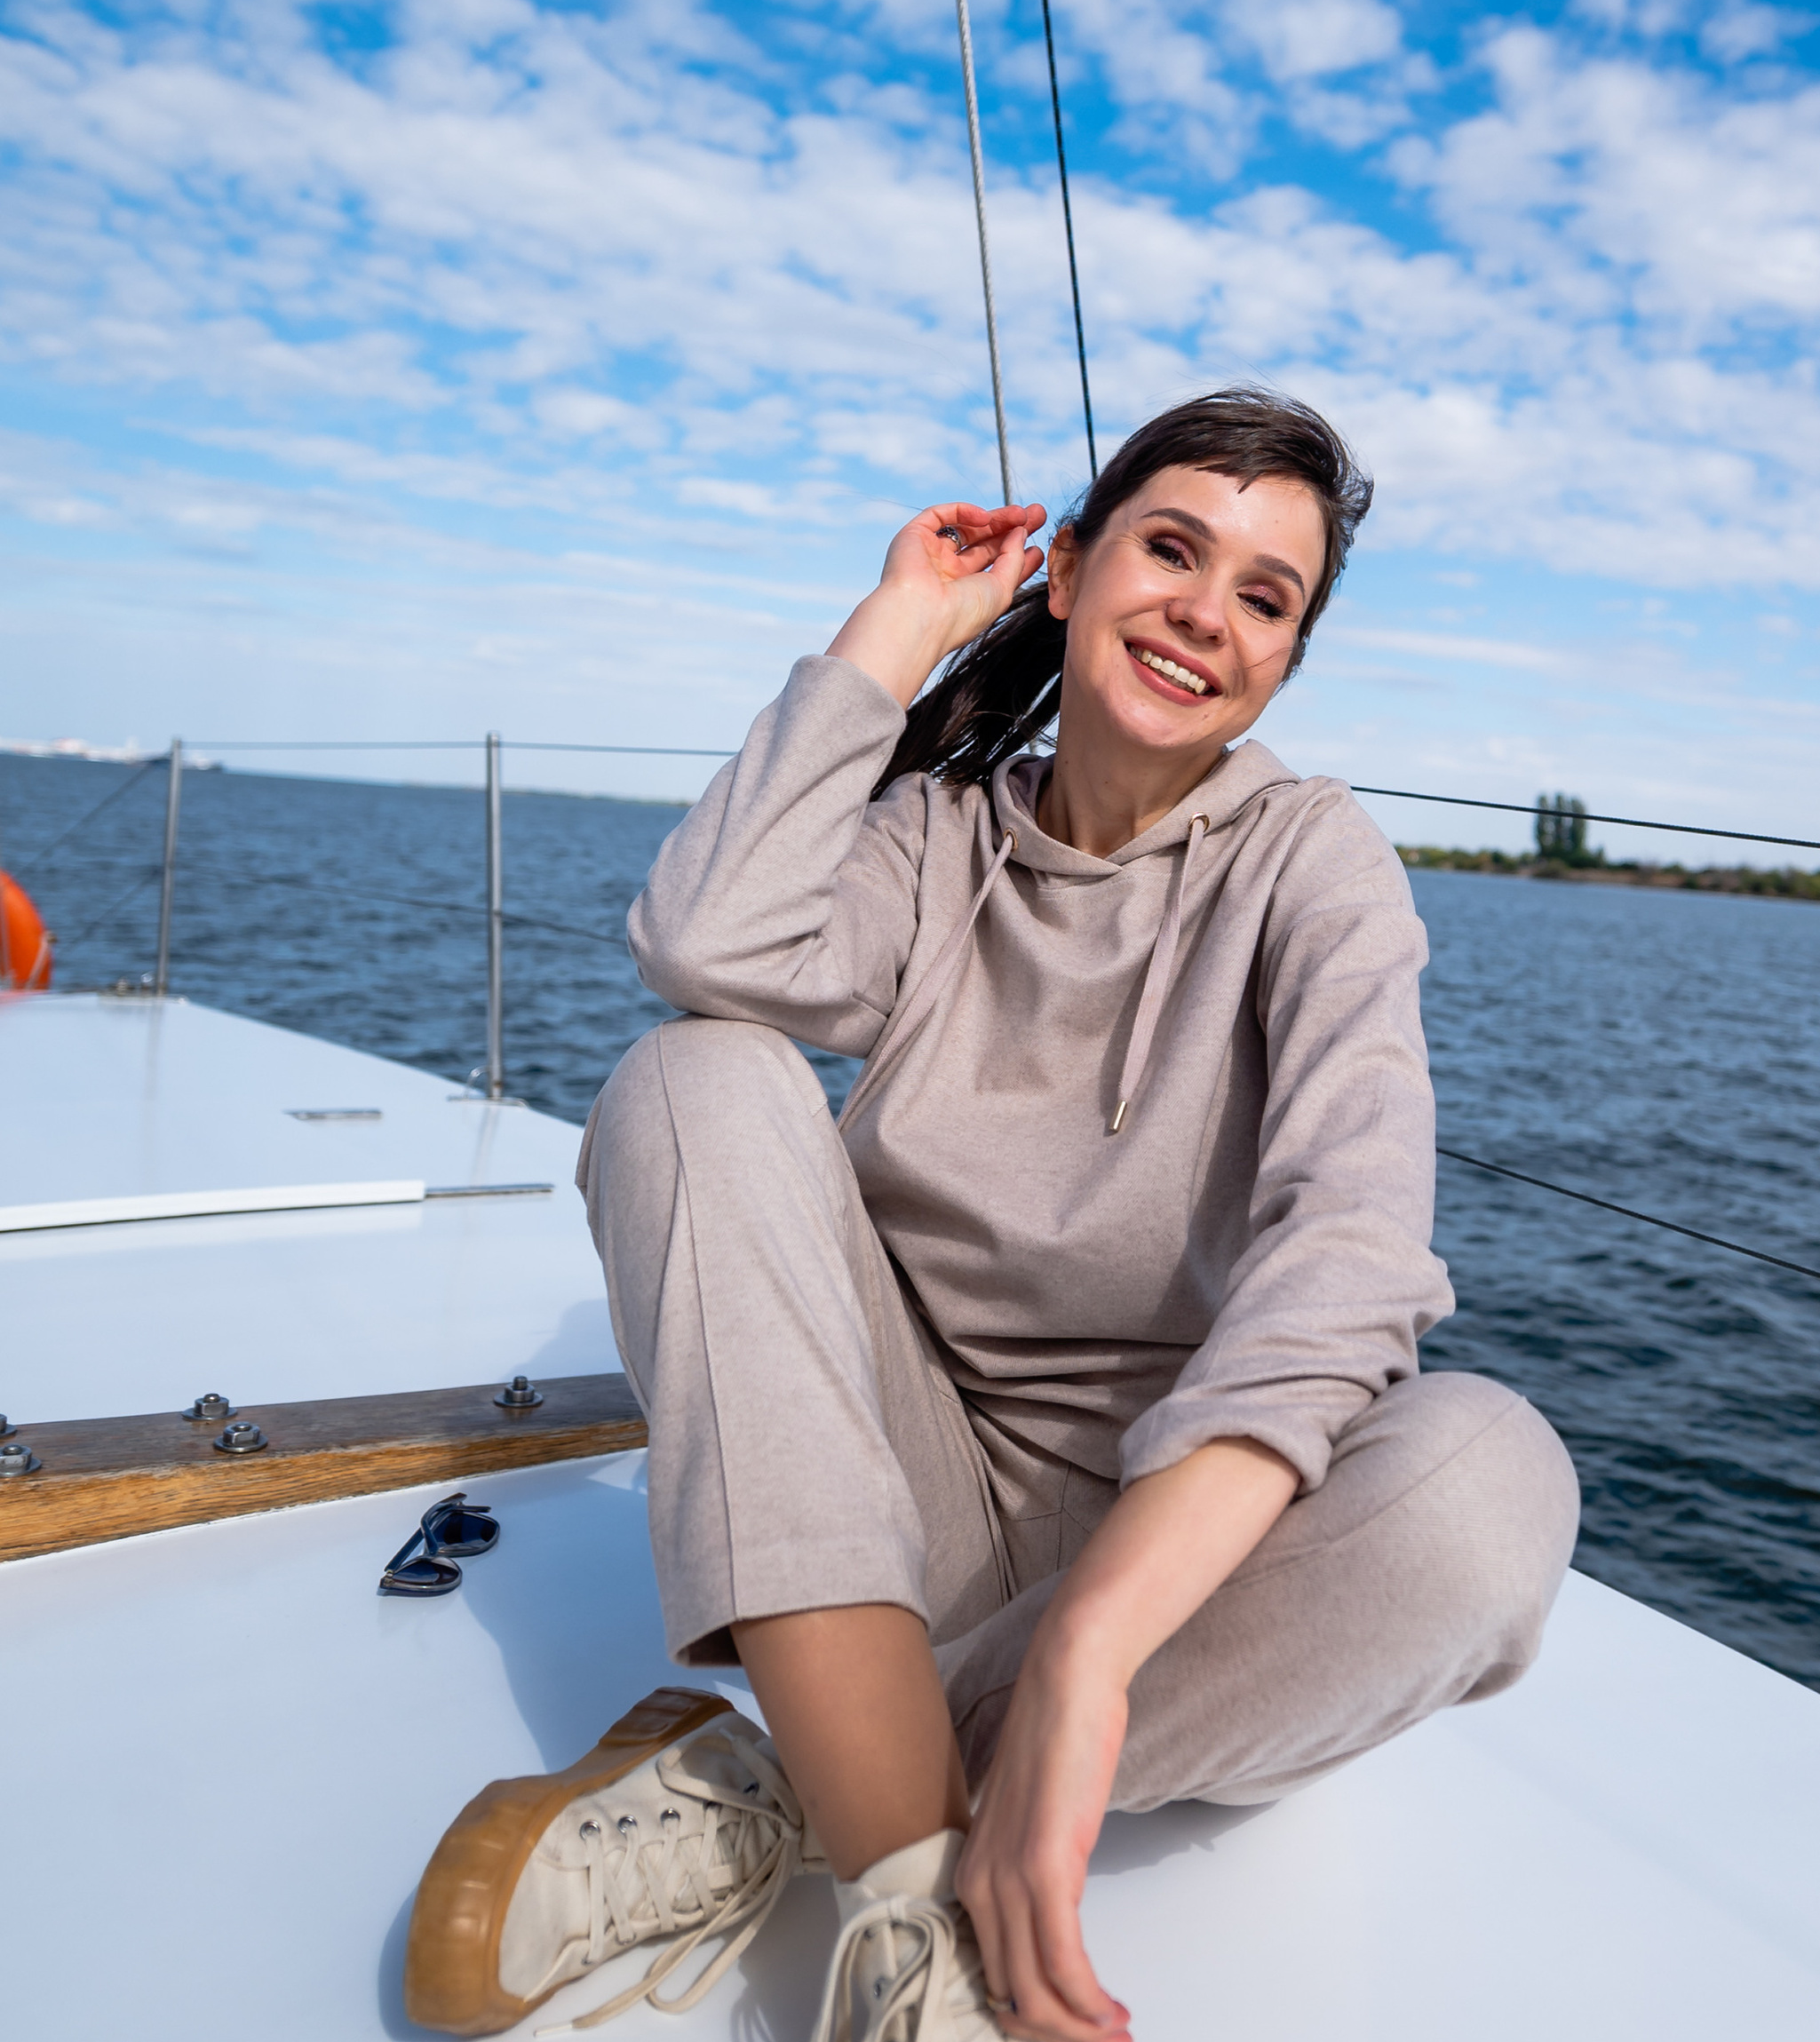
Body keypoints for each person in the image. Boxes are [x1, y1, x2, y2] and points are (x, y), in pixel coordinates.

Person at [401, 389, 1579, 2042]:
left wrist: (1096, 1646)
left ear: (1286, 665)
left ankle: (801, 1776)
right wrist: (892, 634)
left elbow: (1353, 1249)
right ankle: (907, 1926)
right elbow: (704, 942)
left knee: (1488, 1485)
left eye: (1265, 598)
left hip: (1188, 1578)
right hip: (897, 1513)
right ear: (1075, 567)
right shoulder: (938, 833)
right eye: (1171, 548)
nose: (1206, 614)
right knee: (700, 1081)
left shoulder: (1316, 866)